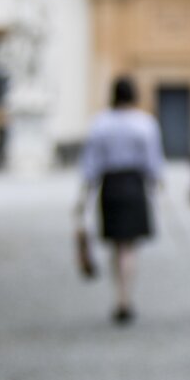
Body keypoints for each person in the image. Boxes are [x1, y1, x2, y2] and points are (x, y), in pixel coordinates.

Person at [76, 75, 164, 326]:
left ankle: (119, 297)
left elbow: (90, 164)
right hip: (134, 184)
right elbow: (153, 161)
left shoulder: (100, 123)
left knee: (117, 244)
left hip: (111, 185)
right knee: (130, 246)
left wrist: (84, 197)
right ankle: (126, 297)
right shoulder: (145, 123)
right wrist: (157, 183)